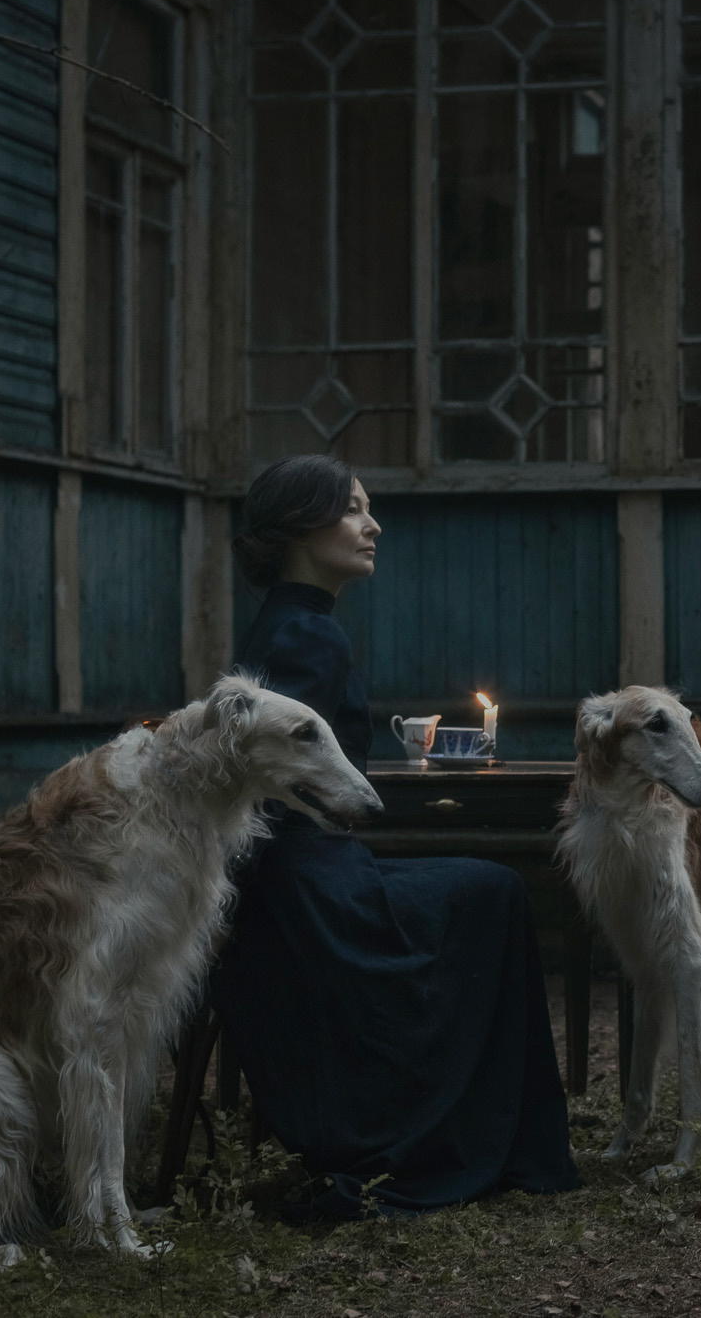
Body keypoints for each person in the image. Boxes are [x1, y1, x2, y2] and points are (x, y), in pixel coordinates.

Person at [211, 454, 580, 1216]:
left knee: (479, 888)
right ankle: (492, 1136)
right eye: (352, 509)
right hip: (312, 896)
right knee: (501, 891)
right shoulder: (313, 636)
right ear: (301, 528)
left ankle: (492, 1126)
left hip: (287, 881)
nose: (372, 524)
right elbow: (288, 787)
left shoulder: (287, 625)